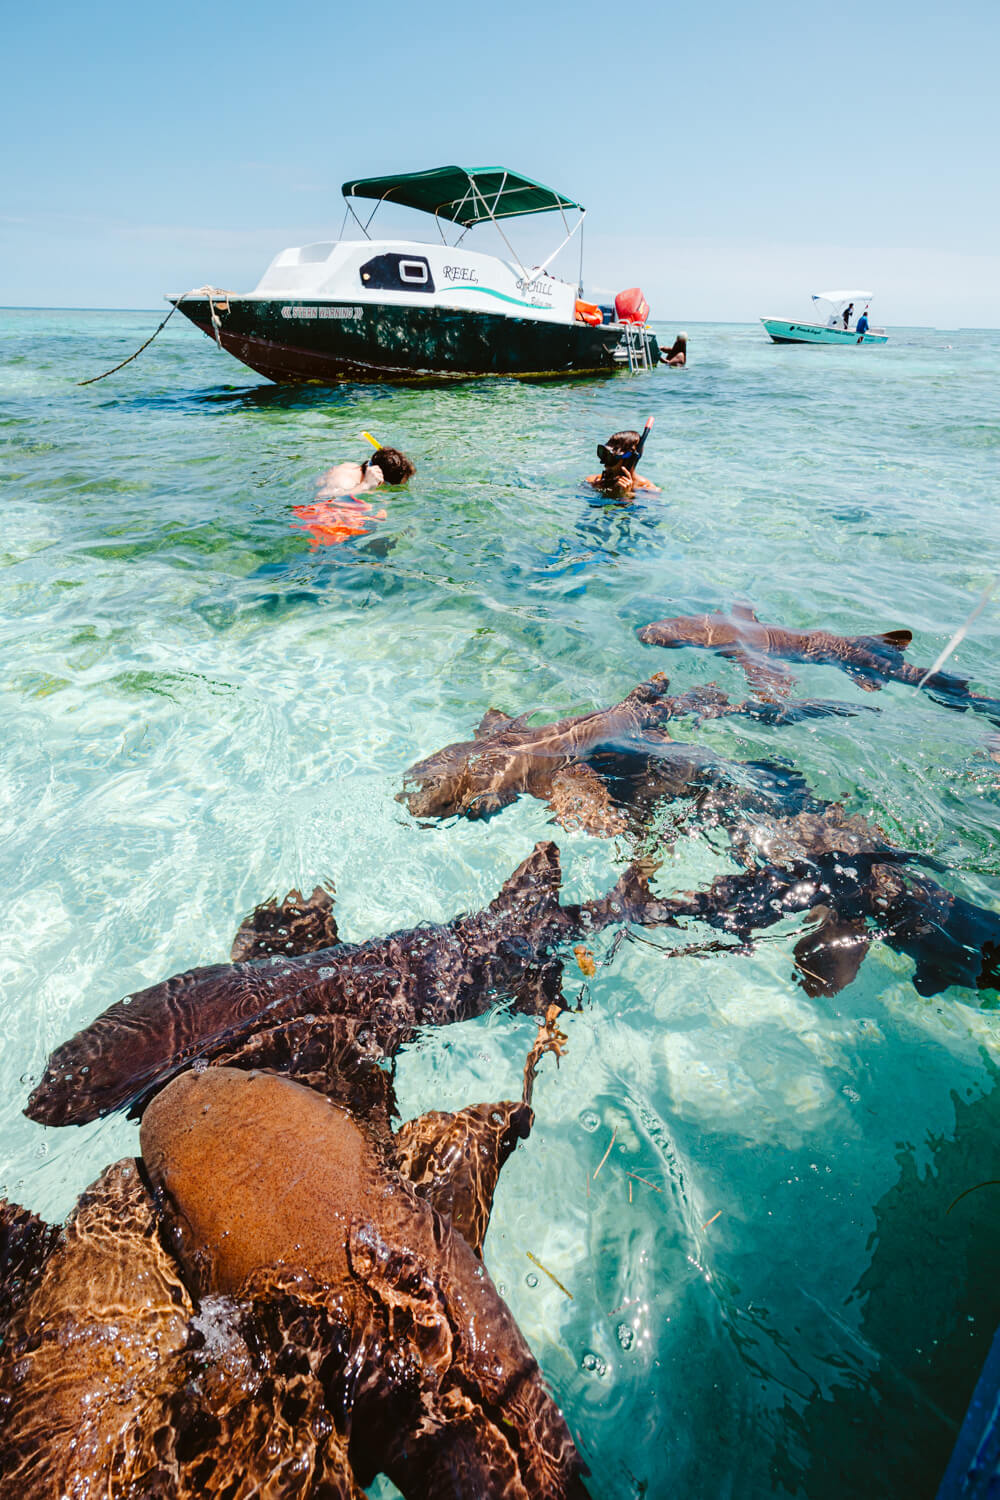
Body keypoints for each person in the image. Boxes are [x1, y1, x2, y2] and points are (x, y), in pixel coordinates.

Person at [294, 445, 415, 548]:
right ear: (379, 480)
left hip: (318, 518)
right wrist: (365, 486)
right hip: (311, 523)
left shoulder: (351, 467)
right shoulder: (344, 480)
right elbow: (322, 498)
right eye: (389, 487)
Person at [585, 430, 660, 498]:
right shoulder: (592, 481)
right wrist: (594, 490)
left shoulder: (649, 491)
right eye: (604, 456)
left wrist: (626, 496)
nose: (605, 465)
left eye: (611, 459)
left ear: (629, 460)